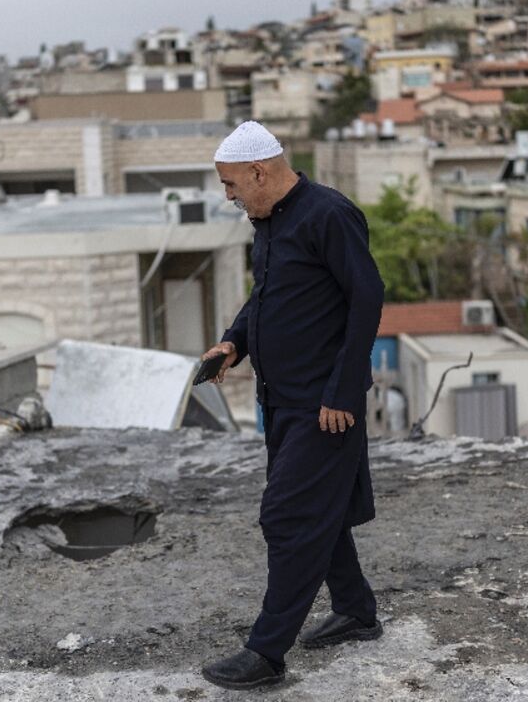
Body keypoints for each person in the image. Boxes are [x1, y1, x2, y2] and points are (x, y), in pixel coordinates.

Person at [199, 121, 386, 690]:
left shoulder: (329, 214)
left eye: (232, 184)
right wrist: (234, 343)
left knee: (288, 516)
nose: (228, 196)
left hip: (324, 404)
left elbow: (367, 296)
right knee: (321, 510)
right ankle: (355, 611)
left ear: (259, 172)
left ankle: (267, 651)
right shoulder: (267, 223)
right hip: (280, 400)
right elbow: (268, 297)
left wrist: (343, 390)